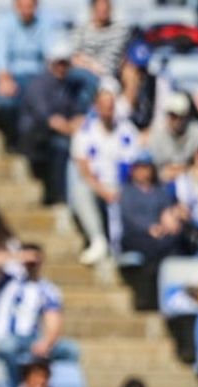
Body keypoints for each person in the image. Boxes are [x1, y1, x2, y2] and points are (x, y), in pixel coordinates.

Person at [67, 84, 140, 264]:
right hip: (97, 185)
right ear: (96, 106)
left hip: (124, 185)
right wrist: (103, 190)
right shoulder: (85, 132)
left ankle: (125, 246)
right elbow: (83, 168)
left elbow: (136, 164)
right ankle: (98, 239)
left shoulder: (127, 130)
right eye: (104, 104)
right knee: (80, 189)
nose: (108, 109)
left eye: (111, 104)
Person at [0, 243, 74, 367]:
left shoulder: (48, 290)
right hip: (4, 338)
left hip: (29, 339)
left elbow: (53, 320)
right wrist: (19, 256)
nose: (31, 265)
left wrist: (47, 342)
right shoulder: (8, 281)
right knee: (8, 347)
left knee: (70, 349)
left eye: (35, 261)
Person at [18, 41, 81, 205]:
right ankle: (58, 196)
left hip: (54, 134)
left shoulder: (67, 86)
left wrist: (76, 124)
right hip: (36, 137)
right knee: (61, 147)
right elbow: (49, 119)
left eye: (65, 63)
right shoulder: (39, 85)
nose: (62, 67)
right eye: (59, 63)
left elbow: (75, 114)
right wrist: (72, 128)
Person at [0, 0, 54, 144]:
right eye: (22, 7)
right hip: (13, 76)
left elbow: (50, 55)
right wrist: (5, 79)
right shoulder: (5, 24)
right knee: (7, 99)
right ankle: (13, 141)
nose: (26, 11)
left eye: (30, 7)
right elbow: (1, 56)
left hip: (37, 77)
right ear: (16, 7)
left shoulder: (44, 24)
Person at [148, 93, 198, 182]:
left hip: (191, 176)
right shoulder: (157, 134)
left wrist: (185, 169)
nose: (176, 120)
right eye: (173, 116)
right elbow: (156, 166)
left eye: (180, 116)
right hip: (163, 178)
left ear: (187, 116)